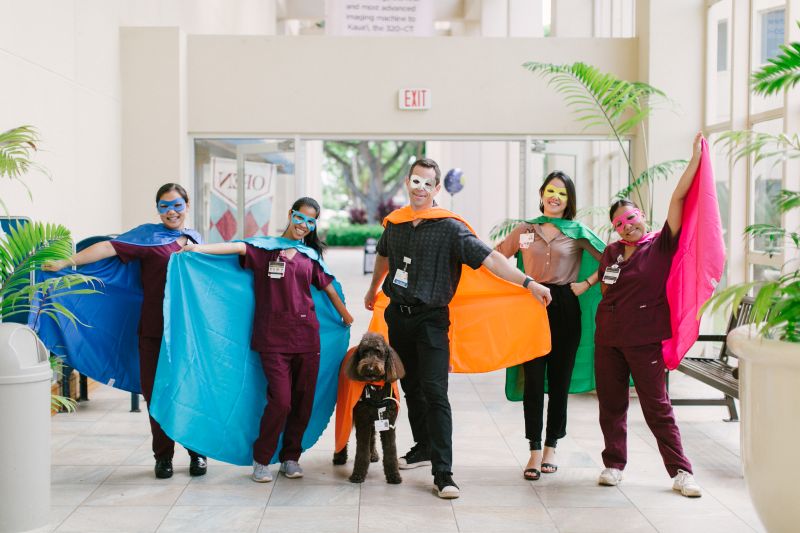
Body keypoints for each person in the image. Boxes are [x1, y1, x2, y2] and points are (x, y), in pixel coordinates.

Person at [364, 158, 552, 499]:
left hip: (432, 320)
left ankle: (443, 473)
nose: (420, 188)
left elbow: (491, 259)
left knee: (435, 392)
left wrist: (528, 283)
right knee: (410, 387)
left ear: (438, 189)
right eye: (415, 181)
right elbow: (384, 255)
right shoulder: (396, 224)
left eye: (427, 184)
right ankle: (422, 446)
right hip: (398, 316)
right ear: (407, 183)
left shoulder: (451, 228)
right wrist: (372, 288)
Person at [43, 183, 208, 480]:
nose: (171, 211)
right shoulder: (148, 237)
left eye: (177, 205)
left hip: (188, 332)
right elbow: (107, 247)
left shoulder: (196, 239)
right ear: (158, 209)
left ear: (187, 205)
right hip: (153, 329)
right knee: (156, 393)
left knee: (189, 390)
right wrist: (66, 262)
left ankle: (197, 453)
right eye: (164, 206)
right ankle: (164, 457)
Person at [183, 197, 353, 483]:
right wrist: (196, 248)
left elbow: (329, 290)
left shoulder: (309, 257)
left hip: (307, 339)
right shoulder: (265, 250)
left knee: (303, 401)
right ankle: (261, 459)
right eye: (300, 218)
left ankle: (291, 457)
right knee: (281, 401)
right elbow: (236, 246)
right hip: (272, 339)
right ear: (290, 214)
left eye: (311, 222)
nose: (304, 225)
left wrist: (346, 317)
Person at [594, 133, 704, 498]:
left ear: (642, 217)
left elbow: (678, 198)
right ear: (615, 229)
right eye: (620, 223)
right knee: (611, 405)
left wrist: (695, 160)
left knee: (657, 406)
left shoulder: (660, 243)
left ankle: (681, 471)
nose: (628, 226)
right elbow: (606, 289)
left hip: (644, 340)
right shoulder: (611, 252)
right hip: (608, 338)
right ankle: (613, 464)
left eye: (631, 218)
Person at [496, 171, 604, 481]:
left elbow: (612, 259)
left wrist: (586, 283)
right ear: (542, 193)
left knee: (559, 380)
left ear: (569, 200)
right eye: (551, 190)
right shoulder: (525, 229)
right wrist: (519, 284)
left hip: (565, 307)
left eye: (563, 193)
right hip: (530, 304)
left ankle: (551, 446)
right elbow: (496, 256)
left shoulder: (577, 231)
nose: (555, 197)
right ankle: (532, 449)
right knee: (532, 379)